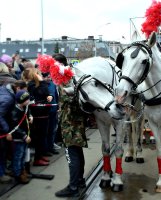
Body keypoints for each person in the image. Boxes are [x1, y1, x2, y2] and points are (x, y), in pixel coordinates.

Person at [53, 53, 88, 198]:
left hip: (71, 125)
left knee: (72, 156)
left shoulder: (66, 80)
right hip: (75, 123)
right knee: (77, 153)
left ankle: (73, 187)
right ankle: (79, 181)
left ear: (59, 65)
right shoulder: (71, 77)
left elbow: (71, 100)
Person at [22, 67, 53, 166]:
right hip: (38, 115)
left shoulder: (38, 85)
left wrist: (49, 96)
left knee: (42, 136)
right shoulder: (32, 86)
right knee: (39, 137)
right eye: (37, 73)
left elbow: (46, 93)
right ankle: (37, 159)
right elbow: (40, 95)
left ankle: (39, 156)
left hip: (43, 114)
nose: (39, 75)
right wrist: (42, 82)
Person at [6, 90, 32, 184]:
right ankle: (17, 174)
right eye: (27, 99)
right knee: (18, 156)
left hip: (24, 137)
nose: (29, 101)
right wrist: (24, 136)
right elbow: (15, 127)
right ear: (21, 101)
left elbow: (28, 112)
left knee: (23, 156)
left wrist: (30, 116)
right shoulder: (15, 111)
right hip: (18, 138)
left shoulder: (25, 107)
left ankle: (22, 171)